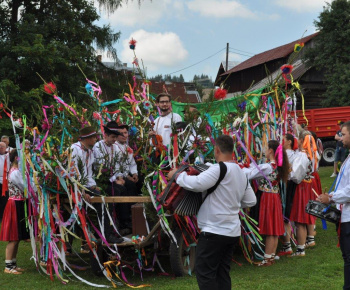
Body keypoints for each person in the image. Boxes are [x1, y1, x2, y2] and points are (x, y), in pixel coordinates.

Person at [168, 135, 256, 290]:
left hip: (214, 231)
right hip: (232, 231)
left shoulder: (218, 168)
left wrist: (177, 175)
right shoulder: (241, 173)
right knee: (222, 273)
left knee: (205, 273)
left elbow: (196, 183)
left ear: (216, 150)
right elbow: (250, 201)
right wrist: (231, 203)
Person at [70, 126, 123, 244]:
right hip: (73, 188)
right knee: (101, 202)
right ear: (87, 138)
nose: (95, 140)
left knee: (102, 195)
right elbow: (72, 174)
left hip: (84, 186)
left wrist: (93, 186)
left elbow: (88, 173)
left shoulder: (89, 151)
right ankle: (105, 235)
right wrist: (82, 192)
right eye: (94, 137)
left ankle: (106, 234)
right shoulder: (75, 149)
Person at [317, 120, 350, 290]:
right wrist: (331, 195)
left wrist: (331, 198)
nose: (340, 138)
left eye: (343, 134)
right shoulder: (348, 157)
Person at [250, 140, 290, 266]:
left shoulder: (267, 167)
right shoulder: (277, 165)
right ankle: (270, 256)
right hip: (274, 196)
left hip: (267, 197)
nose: (264, 151)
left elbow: (250, 174)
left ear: (271, 151)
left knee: (269, 227)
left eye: (266, 148)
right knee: (272, 227)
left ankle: (267, 259)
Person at [278, 134, 308, 256]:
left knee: (286, 217)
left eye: (283, 140)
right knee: (297, 218)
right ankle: (297, 247)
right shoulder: (299, 154)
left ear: (289, 142)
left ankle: (289, 246)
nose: (281, 142)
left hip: (287, 186)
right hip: (298, 187)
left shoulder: (286, 155)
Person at [0, 149, 29, 274]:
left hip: (18, 203)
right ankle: (8, 266)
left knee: (17, 236)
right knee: (13, 236)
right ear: (17, 158)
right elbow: (25, 187)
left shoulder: (16, 171)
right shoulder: (15, 172)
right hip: (14, 204)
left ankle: (13, 263)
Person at [289, 131, 318, 257]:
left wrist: (288, 171)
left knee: (299, 218)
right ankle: (306, 241)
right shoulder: (314, 153)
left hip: (301, 186)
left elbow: (295, 176)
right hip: (309, 184)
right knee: (306, 215)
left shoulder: (302, 155)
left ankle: (300, 248)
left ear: (301, 140)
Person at [114, 123, 140, 233]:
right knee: (128, 186)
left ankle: (136, 216)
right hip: (118, 176)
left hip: (126, 176)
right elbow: (114, 166)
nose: (124, 136)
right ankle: (125, 220)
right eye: (121, 134)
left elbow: (132, 164)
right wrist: (125, 177)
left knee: (139, 182)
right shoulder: (114, 147)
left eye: (125, 133)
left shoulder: (128, 148)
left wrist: (134, 174)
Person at [0, 142, 10, 221]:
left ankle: (3, 216)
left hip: (6, 180)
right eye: (0, 146)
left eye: (2, 146)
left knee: (4, 199)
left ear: (6, 147)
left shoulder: (8, 156)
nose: (1, 148)